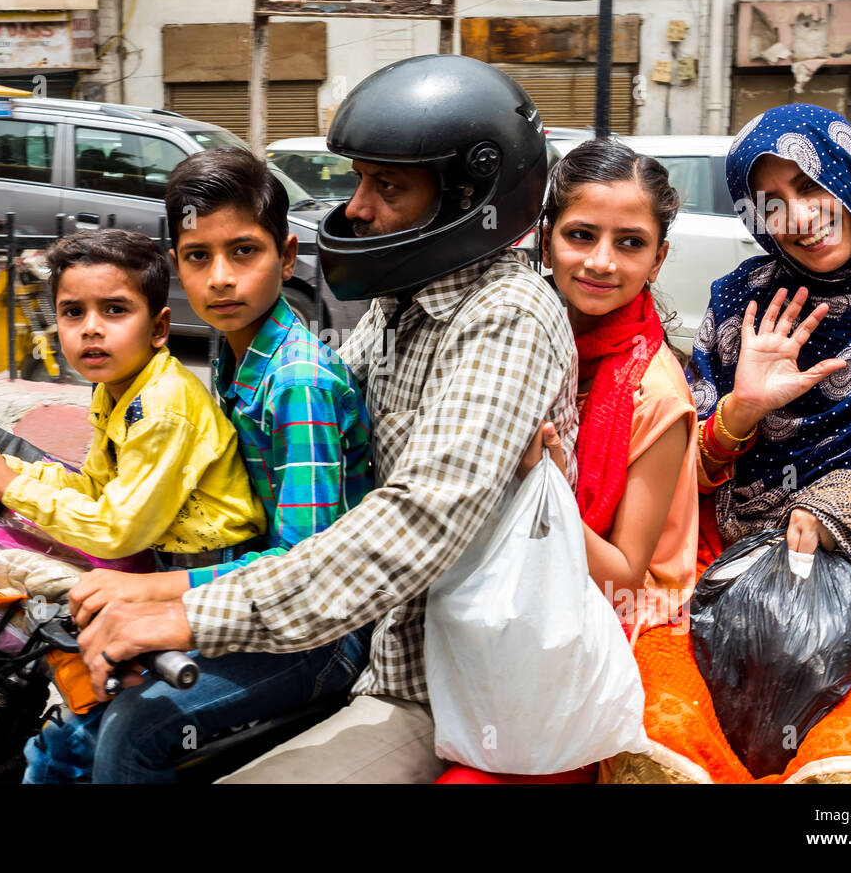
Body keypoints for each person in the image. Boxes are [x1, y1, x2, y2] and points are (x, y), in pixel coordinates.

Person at [72, 54, 581, 783]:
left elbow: (414, 521)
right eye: (360, 182)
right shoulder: (399, 309)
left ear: (470, 195)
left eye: (388, 188)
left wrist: (191, 612)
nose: (358, 209)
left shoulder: (508, 317)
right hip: (361, 643)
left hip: (437, 686)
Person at [613, 103, 851, 784]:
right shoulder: (739, 306)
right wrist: (740, 411)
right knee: (659, 710)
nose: (798, 216)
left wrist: (843, 506)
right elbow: (685, 481)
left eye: (812, 186)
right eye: (771, 202)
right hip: (734, 590)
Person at [29, 148, 374, 784]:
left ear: (288, 257)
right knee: (71, 714)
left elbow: (307, 570)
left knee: (133, 734)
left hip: (318, 635)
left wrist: (148, 592)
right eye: (197, 256)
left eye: (244, 251)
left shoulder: (297, 381)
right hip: (249, 600)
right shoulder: (233, 356)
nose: (220, 278)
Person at [0, 228, 267, 780]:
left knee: (107, 736)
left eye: (114, 310)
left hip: (206, 586)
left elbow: (117, 528)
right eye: (72, 312)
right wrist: (11, 469)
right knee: (62, 736)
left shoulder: (160, 407)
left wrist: (11, 488)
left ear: (159, 327)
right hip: (160, 575)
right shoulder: (118, 389)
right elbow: (96, 489)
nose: (90, 328)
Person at [438, 138, 698, 784]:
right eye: (582, 235)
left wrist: (542, 485)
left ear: (659, 258)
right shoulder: (514, 340)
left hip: (618, 618)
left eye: (631, 243)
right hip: (520, 594)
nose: (602, 262)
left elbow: (624, 574)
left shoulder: (654, 393)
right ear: (545, 237)